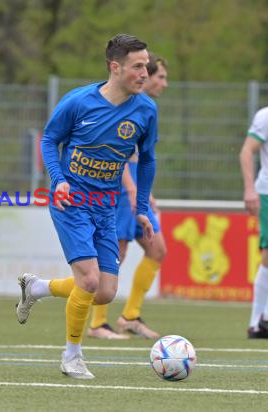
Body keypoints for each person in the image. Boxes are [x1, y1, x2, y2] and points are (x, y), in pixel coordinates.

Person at [16, 34, 158, 379]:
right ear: (115, 67)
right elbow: (50, 139)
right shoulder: (78, 102)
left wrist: (142, 208)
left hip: (106, 204)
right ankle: (72, 356)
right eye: (138, 66)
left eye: (147, 66)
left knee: (105, 292)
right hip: (72, 200)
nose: (145, 73)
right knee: (91, 280)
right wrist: (58, 179)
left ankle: (37, 287)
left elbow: (148, 160)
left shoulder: (146, 110)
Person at [87, 53, 169, 340]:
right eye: (159, 76)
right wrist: (132, 190)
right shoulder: (119, 103)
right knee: (116, 253)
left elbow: (143, 158)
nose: (162, 82)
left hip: (134, 184)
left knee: (157, 249)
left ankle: (130, 316)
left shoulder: (146, 109)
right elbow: (114, 154)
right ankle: (97, 324)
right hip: (120, 187)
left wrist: (147, 194)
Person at [240, 105, 268, 339]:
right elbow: (247, 151)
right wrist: (250, 189)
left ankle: (261, 321)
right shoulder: (265, 116)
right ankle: (260, 321)